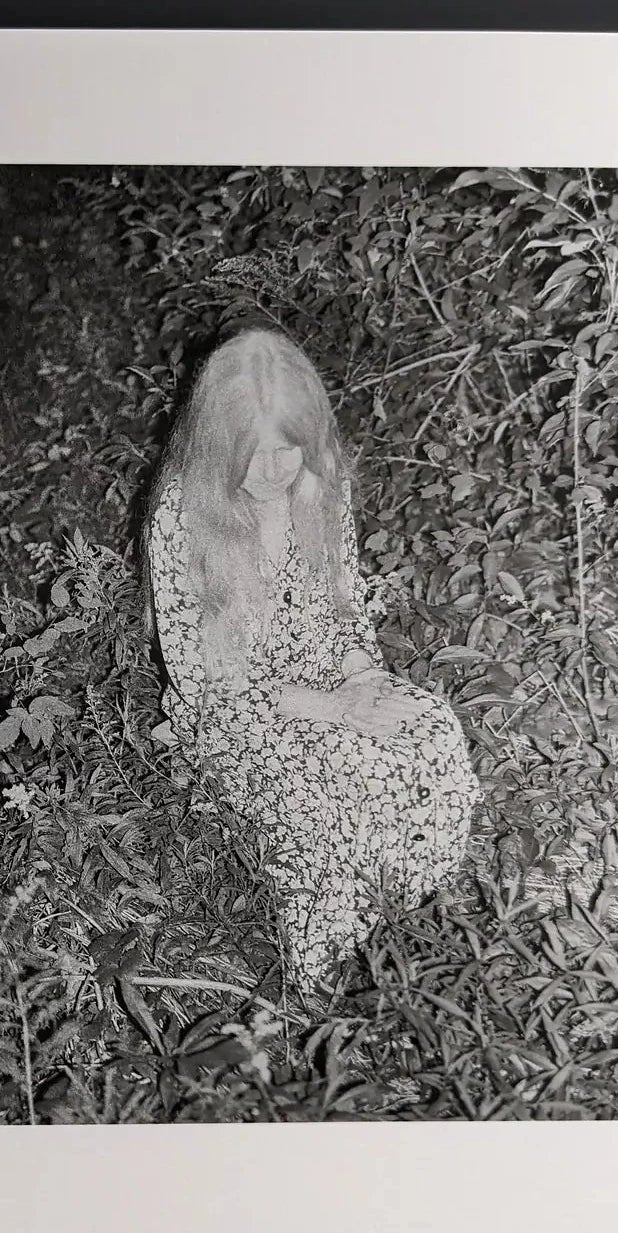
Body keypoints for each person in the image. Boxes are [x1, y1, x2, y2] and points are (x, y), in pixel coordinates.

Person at [145, 324, 480, 1002]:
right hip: (237, 713)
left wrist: (365, 678)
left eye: (289, 447)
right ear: (218, 448)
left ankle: (408, 927)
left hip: (332, 682)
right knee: (321, 806)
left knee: (429, 735)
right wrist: (334, 709)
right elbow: (208, 682)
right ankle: (324, 985)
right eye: (254, 452)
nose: (273, 469)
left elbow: (345, 603)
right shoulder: (182, 519)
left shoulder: (321, 490)